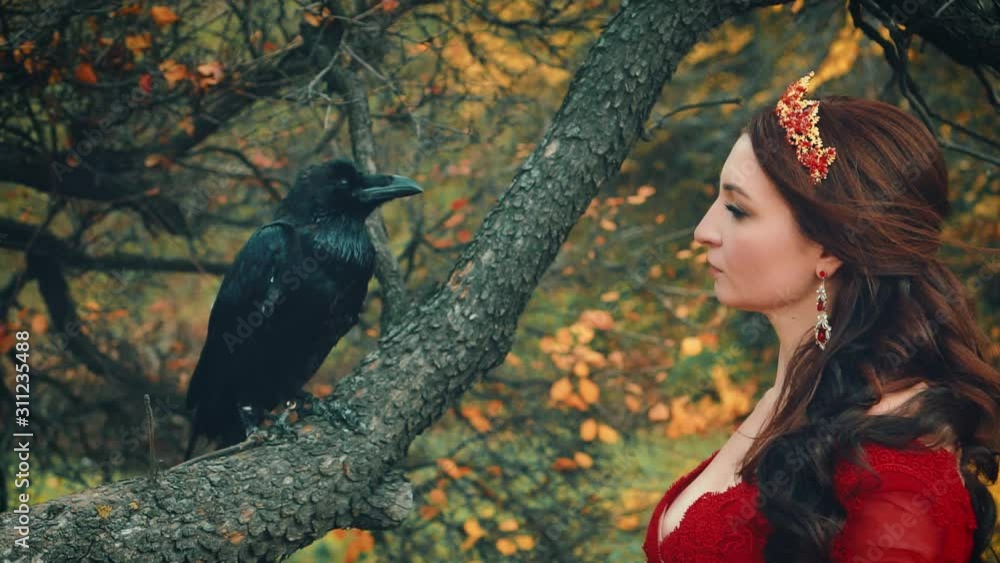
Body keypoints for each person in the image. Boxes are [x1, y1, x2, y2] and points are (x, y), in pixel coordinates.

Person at [643, 71, 1000, 563]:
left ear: (831, 248)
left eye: (737, 210)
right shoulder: (792, 393)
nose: (705, 230)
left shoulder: (899, 461)